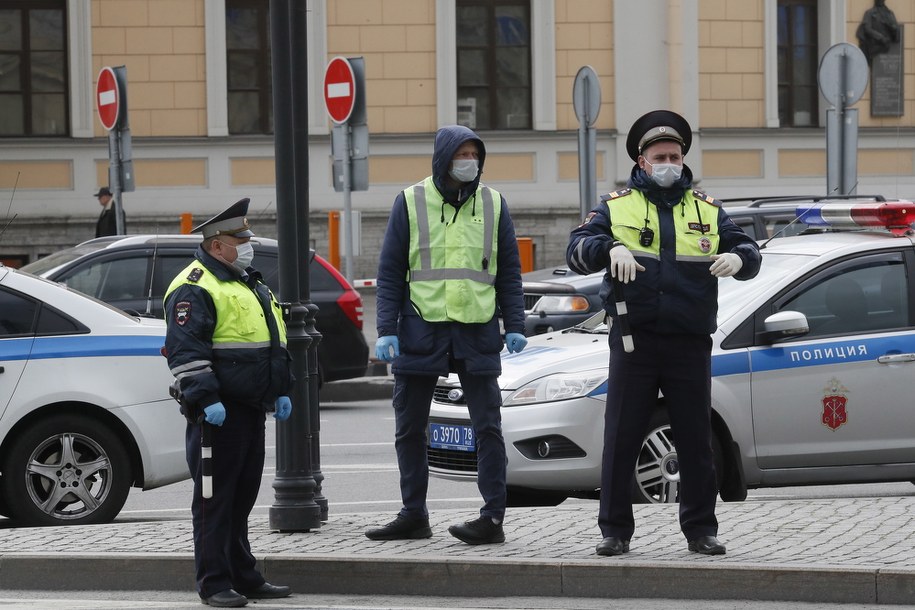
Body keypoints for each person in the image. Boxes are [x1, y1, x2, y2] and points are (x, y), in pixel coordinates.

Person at [566, 110, 761, 557]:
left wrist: (741, 260)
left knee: (695, 439)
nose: (669, 162)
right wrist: (608, 247)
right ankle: (614, 531)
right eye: (660, 156)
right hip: (635, 341)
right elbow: (576, 249)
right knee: (622, 437)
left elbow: (748, 249)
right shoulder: (616, 206)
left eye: (675, 155)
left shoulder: (706, 210)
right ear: (642, 160)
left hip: (689, 343)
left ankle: (700, 530)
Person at [366, 125, 528, 545]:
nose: (469, 161)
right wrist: (386, 330)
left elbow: (509, 272)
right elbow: (389, 274)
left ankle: (492, 518)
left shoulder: (493, 204)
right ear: (443, 158)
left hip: (476, 331)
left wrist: (516, 325)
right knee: (410, 429)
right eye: (462, 153)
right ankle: (413, 515)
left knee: (488, 427)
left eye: (475, 154)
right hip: (421, 329)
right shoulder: (411, 201)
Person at [163, 198, 293, 608]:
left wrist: (281, 389)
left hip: (249, 408)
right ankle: (214, 582)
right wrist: (207, 399)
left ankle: (244, 575)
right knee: (214, 503)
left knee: (241, 500)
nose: (247, 245)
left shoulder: (245, 281)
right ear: (217, 244)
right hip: (217, 414)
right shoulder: (195, 285)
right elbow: (187, 353)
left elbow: (270, 341)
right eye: (241, 239)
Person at [856, 0, 899, 64]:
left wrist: (892, 28)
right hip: (874, 48)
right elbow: (867, 29)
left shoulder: (889, 13)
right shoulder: (869, 13)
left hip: (888, 48)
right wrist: (880, 38)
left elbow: (896, 29)